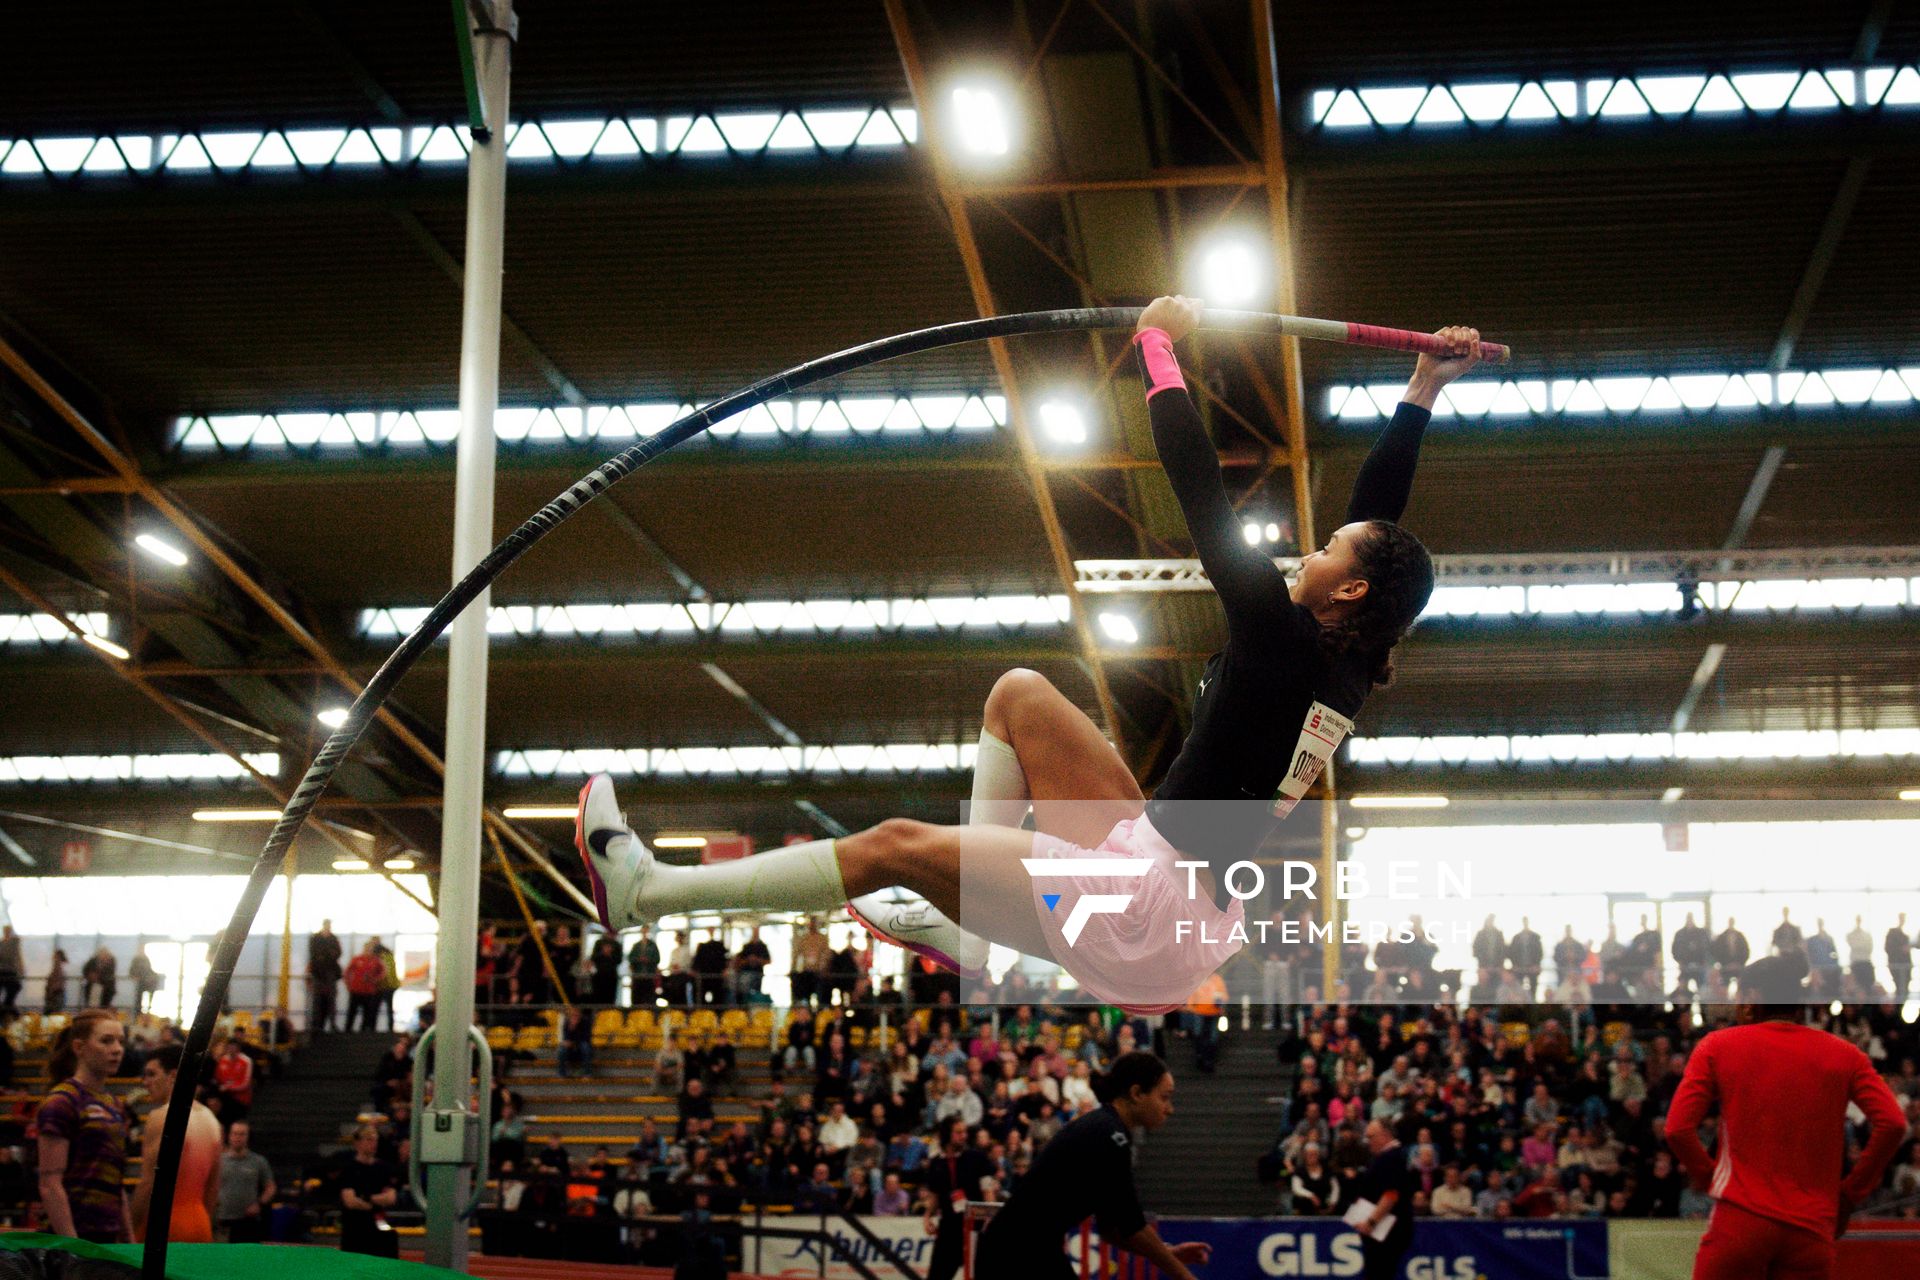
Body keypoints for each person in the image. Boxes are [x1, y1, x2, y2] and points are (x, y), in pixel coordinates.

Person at [576, 303, 1479, 1013]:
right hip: (1162, 872)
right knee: (1020, 695)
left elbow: (1201, 492)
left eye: (1327, 549)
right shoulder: (1350, 658)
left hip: (1145, 916)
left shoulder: (1283, 639)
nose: (1309, 552)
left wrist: (1158, 347)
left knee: (892, 846)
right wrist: (1423, 384)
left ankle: (648, 893)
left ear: (1349, 592)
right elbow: (1380, 516)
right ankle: (963, 927)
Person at [1666, 953, 1909, 1280]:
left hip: (1739, 1220)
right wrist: (1851, 1193)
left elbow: (1677, 1129)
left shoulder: (1718, 1046)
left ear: (1753, 998)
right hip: (1811, 1230)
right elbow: (1893, 1123)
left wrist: (1708, 1177)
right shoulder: (1844, 1054)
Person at [971, 1053, 1211, 1280]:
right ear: (1137, 1093)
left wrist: (1169, 1253)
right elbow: (1133, 1226)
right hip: (1018, 1252)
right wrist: (1184, 1275)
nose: (1170, 1109)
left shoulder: (1106, 1128)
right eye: (1164, 1097)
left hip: (1020, 1248)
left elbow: (1113, 1229)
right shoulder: (1109, 1135)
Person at [36, 1010, 130, 1242]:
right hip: (73, 1239)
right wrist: (74, 1248)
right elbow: (50, 1184)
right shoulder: (62, 1101)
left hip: (107, 1236)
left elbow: (116, 1183)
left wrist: (130, 1242)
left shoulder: (115, 1105)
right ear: (79, 1048)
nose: (117, 1049)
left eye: (120, 1041)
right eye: (106, 1041)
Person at [130, 1044, 221, 1243]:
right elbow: (213, 1188)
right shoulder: (212, 1120)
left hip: (165, 1224)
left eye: (151, 1074)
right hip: (200, 1224)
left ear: (172, 1076)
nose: (145, 1082)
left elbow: (147, 1183)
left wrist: (130, 1230)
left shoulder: (161, 1116)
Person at [1351, 1119, 1417, 1280]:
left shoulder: (1391, 1158)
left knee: (1379, 1273)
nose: (1368, 1142)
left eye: (1371, 1137)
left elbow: (1391, 1194)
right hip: (1384, 1230)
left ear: (1384, 1135)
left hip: (1386, 1231)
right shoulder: (1390, 1157)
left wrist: (1371, 1222)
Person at [338, 1123, 401, 1255]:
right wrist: (376, 1201)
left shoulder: (384, 1168)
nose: (373, 1144)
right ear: (358, 1143)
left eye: (375, 1140)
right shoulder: (349, 1168)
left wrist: (366, 1198)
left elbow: (390, 1198)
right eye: (369, 1139)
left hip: (377, 1225)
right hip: (354, 1228)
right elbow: (350, 1201)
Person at [215, 1120, 277, 1243]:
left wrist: (259, 1203)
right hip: (221, 1219)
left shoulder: (258, 1161)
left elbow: (270, 1187)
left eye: (242, 1134)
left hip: (248, 1220)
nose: (238, 1137)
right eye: (235, 1133)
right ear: (229, 1136)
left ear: (248, 1137)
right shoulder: (218, 1161)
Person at [308, 919, 343, 1033]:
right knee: (317, 1000)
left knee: (330, 999)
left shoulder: (332, 938)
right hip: (319, 973)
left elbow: (337, 952)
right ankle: (316, 1024)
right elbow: (314, 953)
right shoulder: (316, 938)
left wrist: (325, 955)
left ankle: (331, 1023)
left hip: (329, 972)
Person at [1888, 912, 1913, 1003]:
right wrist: (1900, 949)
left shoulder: (1906, 935)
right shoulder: (1892, 932)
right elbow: (1888, 948)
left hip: (1906, 967)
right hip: (1897, 966)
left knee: (1904, 991)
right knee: (1900, 990)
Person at [0, 925, 22, 1016]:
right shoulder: (4, 943)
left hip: (9, 971)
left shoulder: (13, 942)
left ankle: (7, 1008)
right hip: (4, 971)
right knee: (13, 989)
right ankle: (8, 1009)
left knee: (14, 989)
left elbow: (16, 954)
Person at [44, 947, 69, 1014]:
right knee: (55, 1012)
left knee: (52, 1013)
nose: (53, 956)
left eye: (55, 955)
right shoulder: (60, 966)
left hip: (55, 994)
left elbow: (57, 982)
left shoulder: (58, 966)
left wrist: (50, 992)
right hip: (58, 994)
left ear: (58, 956)